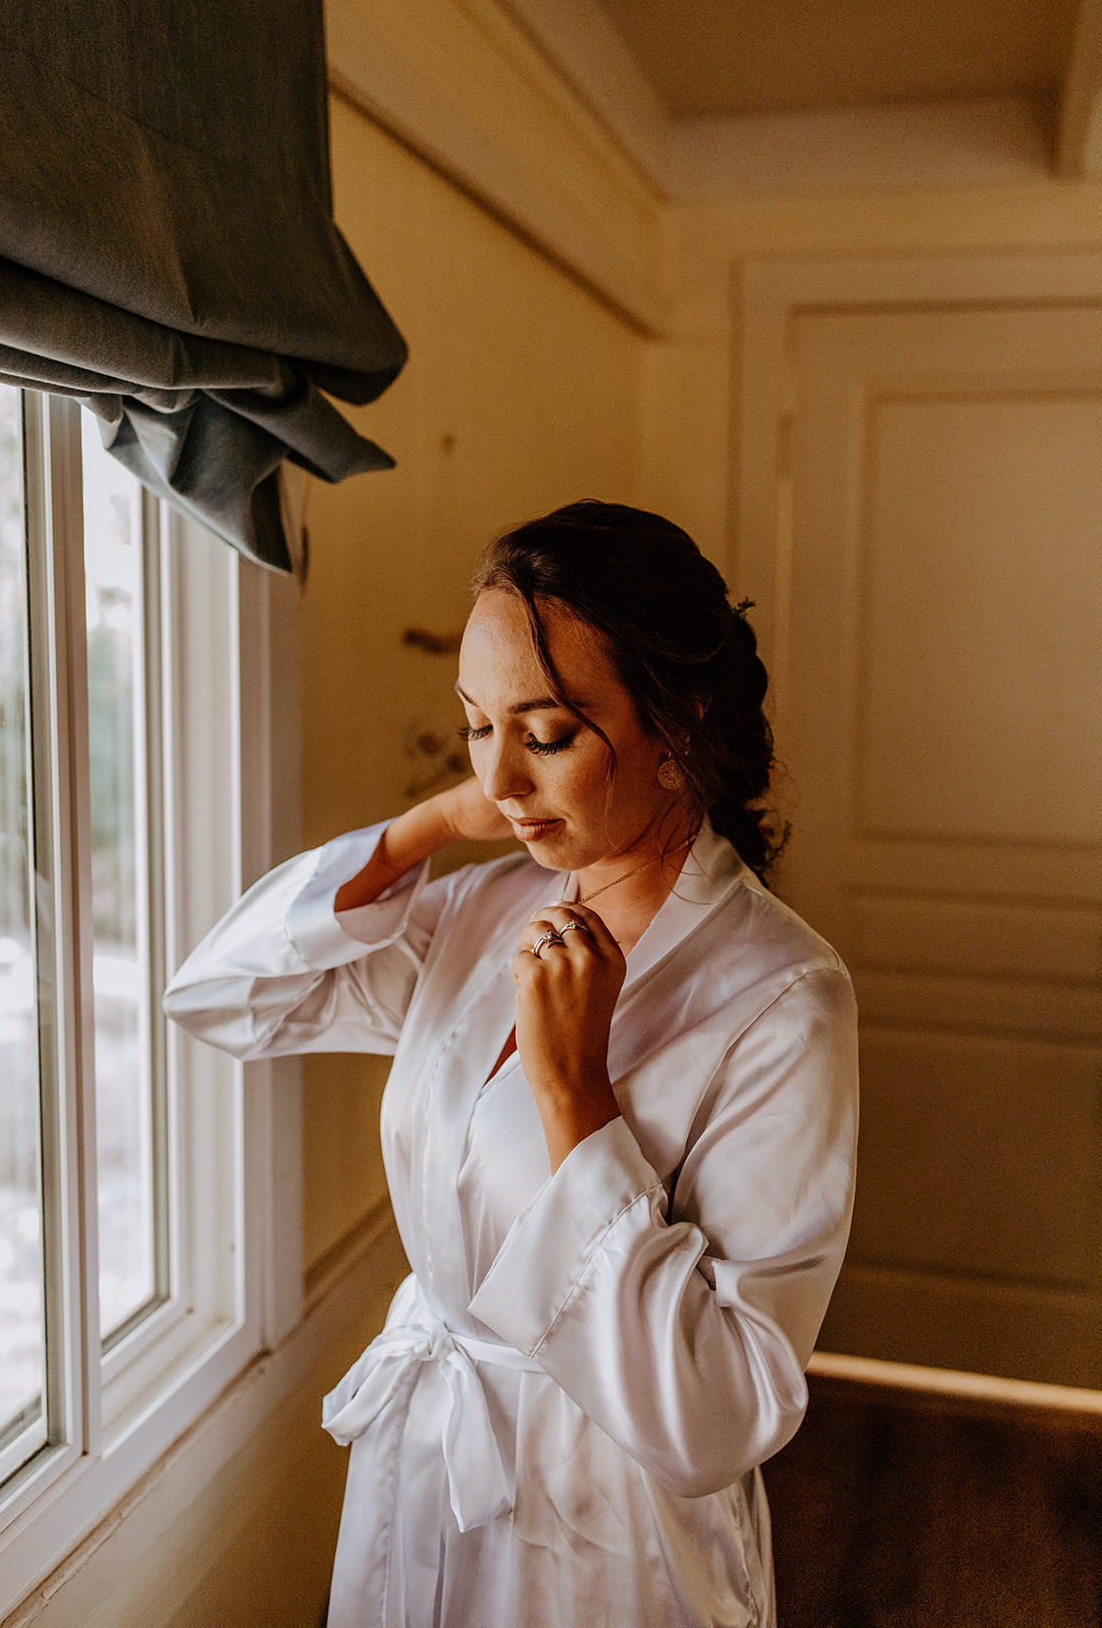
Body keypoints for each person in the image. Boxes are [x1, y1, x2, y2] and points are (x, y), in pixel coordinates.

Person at [164, 500, 858, 1628]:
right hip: (427, 1458)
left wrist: (574, 1099)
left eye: (545, 735)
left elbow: (722, 1413)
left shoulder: (780, 998)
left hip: (605, 1529)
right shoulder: (491, 908)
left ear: (677, 718)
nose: (504, 780)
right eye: (476, 725)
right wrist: (432, 825)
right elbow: (222, 996)